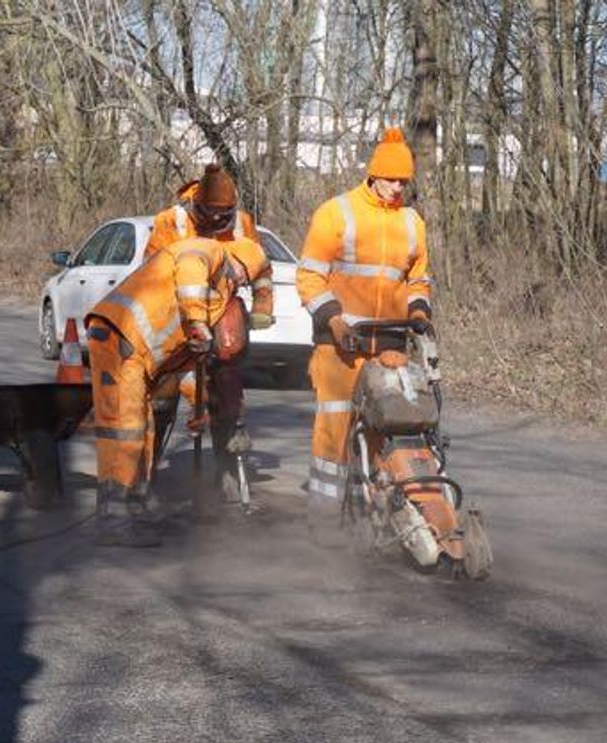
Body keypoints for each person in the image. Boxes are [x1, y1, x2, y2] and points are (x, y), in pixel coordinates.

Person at [85, 234, 269, 546]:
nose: (239, 281)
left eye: (244, 280)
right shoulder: (207, 254)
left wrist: (202, 410)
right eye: (241, 274)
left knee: (143, 432)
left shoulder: (217, 296)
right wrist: (197, 323)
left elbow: (186, 367)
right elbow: (189, 272)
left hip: (138, 353)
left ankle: (135, 508)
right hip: (117, 337)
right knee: (124, 431)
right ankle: (113, 519)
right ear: (236, 262)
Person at [295, 127, 433, 527]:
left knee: (387, 427)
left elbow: (417, 280)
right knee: (334, 430)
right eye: (391, 179)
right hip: (339, 344)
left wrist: (419, 313)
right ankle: (323, 521)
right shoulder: (336, 212)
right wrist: (333, 320)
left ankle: (379, 515)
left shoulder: (412, 223)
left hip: (388, 343)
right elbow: (309, 277)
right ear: (373, 174)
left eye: (404, 181)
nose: (397, 188)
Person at [143, 163, 274, 467]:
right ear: (196, 205)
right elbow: (151, 273)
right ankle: (147, 469)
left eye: (223, 214)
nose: (217, 220)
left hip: (223, 313)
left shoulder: (242, 224)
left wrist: (262, 308)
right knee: (163, 394)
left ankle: (228, 454)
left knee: (225, 381)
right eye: (210, 214)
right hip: (176, 319)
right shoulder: (170, 222)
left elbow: (261, 268)